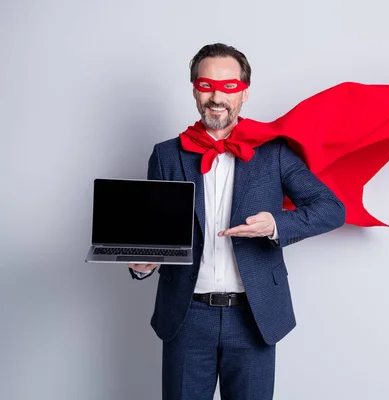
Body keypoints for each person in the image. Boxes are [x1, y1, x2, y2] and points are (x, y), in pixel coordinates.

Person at [128, 43, 346, 400]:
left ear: (244, 93)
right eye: (206, 85)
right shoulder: (166, 155)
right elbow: (153, 231)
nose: (217, 96)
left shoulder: (274, 152)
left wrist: (275, 224)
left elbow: (331, 208)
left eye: (229, 86)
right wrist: (142, 264)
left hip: (254, 317)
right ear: (195, 91)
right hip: (186, 317)